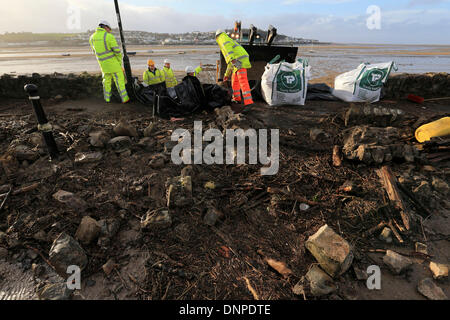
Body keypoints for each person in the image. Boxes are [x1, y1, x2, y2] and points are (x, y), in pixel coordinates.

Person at [89, 20, 129, 104]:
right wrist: (119, 62)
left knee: (106, 82)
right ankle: (125, 99)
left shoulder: (92, 37)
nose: (110, 30)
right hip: (113, 64)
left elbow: (94, 51)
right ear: (106, 27)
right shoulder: (108, 36)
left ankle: (107, 99)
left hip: (103, 65)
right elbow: (117, 51)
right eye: (109, 29)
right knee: (120, 82)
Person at [215, 29, 254, 112]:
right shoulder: (226, 38)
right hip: (237, 61)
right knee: (234, 81)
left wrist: (232, 59)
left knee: (243, 81)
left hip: (239, 61)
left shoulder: (222, 38)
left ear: (216, 37)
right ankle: (237, 99)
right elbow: (230, 63)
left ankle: (249, 103)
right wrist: (226, 75)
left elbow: (229, 51)